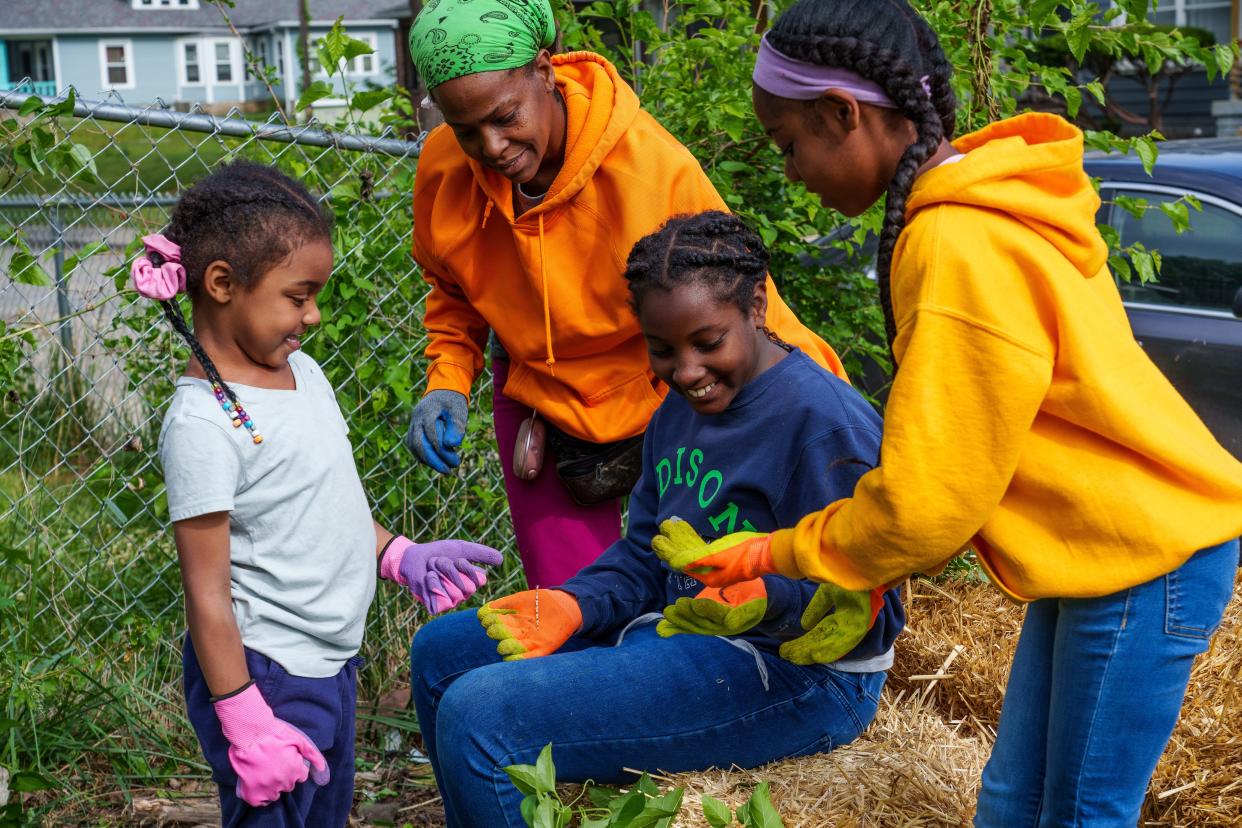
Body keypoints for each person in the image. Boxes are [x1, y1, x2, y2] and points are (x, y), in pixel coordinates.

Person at [648, 3, 1242, 826]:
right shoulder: (982, 205)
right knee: (1011, 802)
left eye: (789, 144)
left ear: (842, 113)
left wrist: (783, 552)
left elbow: (931, 504)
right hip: (1105, 548)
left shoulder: (956, 241)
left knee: (1080, 814)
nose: (789, 171)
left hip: (1146, 556)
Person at [407, 212, 905, 828]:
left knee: (482, 715)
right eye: (662, 349)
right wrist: (575, 604)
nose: (687, 371)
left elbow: (875, 607)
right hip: (681, 627)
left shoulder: (825, 423)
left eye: (707, 342)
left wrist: (765, 595)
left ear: (756, 306)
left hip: (802, 674)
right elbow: (645, 553)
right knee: (439, 653)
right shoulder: (677, 409)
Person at [405, 0, 848, 589]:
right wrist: (447, 381)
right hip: (543, 401)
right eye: (466, 130)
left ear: (545, 70)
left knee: (690, 591)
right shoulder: (443, 169)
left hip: (669, 397)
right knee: (572, 605)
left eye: (505, 116)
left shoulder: (651, 170)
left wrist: (836, 426)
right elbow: (455, 289)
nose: (491, 147)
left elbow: (743, 304)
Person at [145, 161, 502, 826]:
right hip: (265, 673)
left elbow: (325, 504)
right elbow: (206, 594)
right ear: (222, 284)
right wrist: (241, 712)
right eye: (297, 295)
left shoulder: (303, 373)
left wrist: (397, 554)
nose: (311, 315)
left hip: (332, 664)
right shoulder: (202, 425)